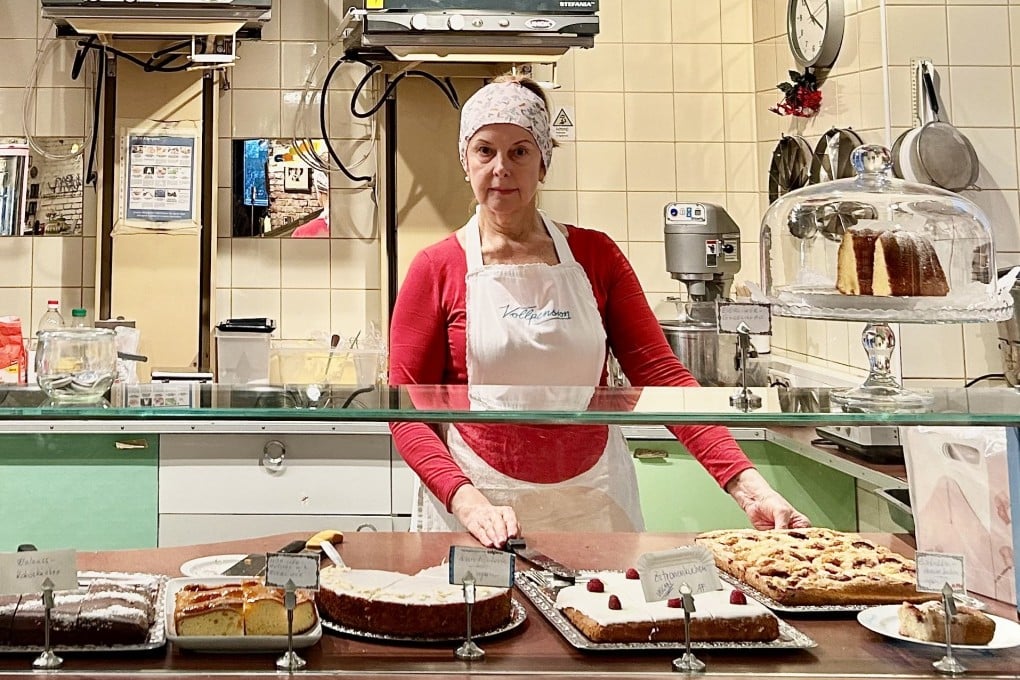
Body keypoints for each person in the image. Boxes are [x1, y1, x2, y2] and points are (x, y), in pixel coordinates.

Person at [388, 75, 810, 548]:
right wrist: (464, 499)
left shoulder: (596, 256)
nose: (501, 167)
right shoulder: (435, 268)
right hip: (480, 505)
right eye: (486, 150)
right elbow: (405, 411)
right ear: (465, 160)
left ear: (544, 162)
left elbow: (664, 377)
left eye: (520, 152)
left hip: (594, 500)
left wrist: (748, 488)